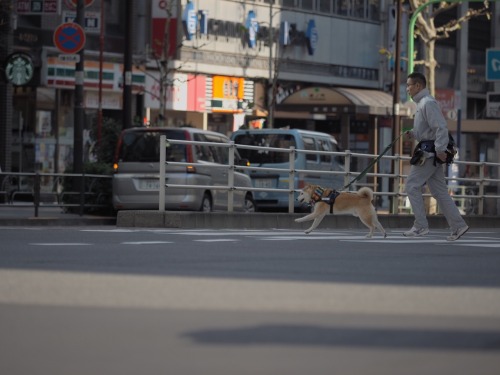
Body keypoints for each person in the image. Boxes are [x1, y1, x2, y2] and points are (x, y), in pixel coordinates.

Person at [403, 72, 469, 241]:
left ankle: (420, 226)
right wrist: (413, 133)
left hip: (429, 153)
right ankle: (459, 226)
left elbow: (440, 127)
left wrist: (439, 149)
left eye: (409, 85)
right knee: (439, 192)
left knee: (411, 185)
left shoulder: (427, 103)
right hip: (431, 152)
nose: (407, 88)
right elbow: (428, 130)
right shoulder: (422, 104)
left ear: (418, 86)